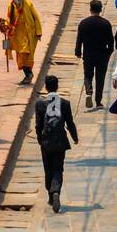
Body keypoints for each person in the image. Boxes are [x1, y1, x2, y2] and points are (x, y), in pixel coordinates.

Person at [35, 74, 78, 215]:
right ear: (57, 86)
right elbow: (70, 123)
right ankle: (56, 191)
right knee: (58, 168)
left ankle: (50, 194)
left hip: (46, 141)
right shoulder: (64, 103)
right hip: (60, 141)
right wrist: (75, 137)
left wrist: (40, 140)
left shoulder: (40, 104)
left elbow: (38, 125)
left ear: (46, 87)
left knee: (48, 169)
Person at [74, 0, 114, 110]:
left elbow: (79, 40)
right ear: (101, 9)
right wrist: (108, 53)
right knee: (100, 78)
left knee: (88, 75)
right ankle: (98, 101)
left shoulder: (83, 23)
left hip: (88, 55)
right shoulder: (106, 24)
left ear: (90, 9)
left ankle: (88, 91)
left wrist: (78, 52)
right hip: (102, 55)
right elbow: (111, 42)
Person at [3, 0, 43, 85]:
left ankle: (29, 74)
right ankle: (28, 75)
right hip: (17, 35)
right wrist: (5, 25)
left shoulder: (28, 4)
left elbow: (36, 18)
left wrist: (38, 31)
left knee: (25, 55)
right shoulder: (11, 6)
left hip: (28, 34)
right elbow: (8, 18)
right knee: (20, 56)